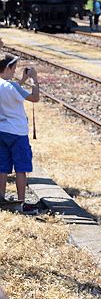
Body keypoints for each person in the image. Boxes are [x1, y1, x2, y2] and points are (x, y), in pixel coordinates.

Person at [0, 55, 41, 215]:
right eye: (14, 68)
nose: (15, 71)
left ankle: (1, 198)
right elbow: (35, 98)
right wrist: (34, 80)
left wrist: (23, 79)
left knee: (2, 167)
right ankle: (21, 202)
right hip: (17, 132)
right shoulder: (12, 87)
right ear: (9, 68)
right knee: (21, 168)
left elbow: (12, 90)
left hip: (1, 131)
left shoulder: (6, 85)